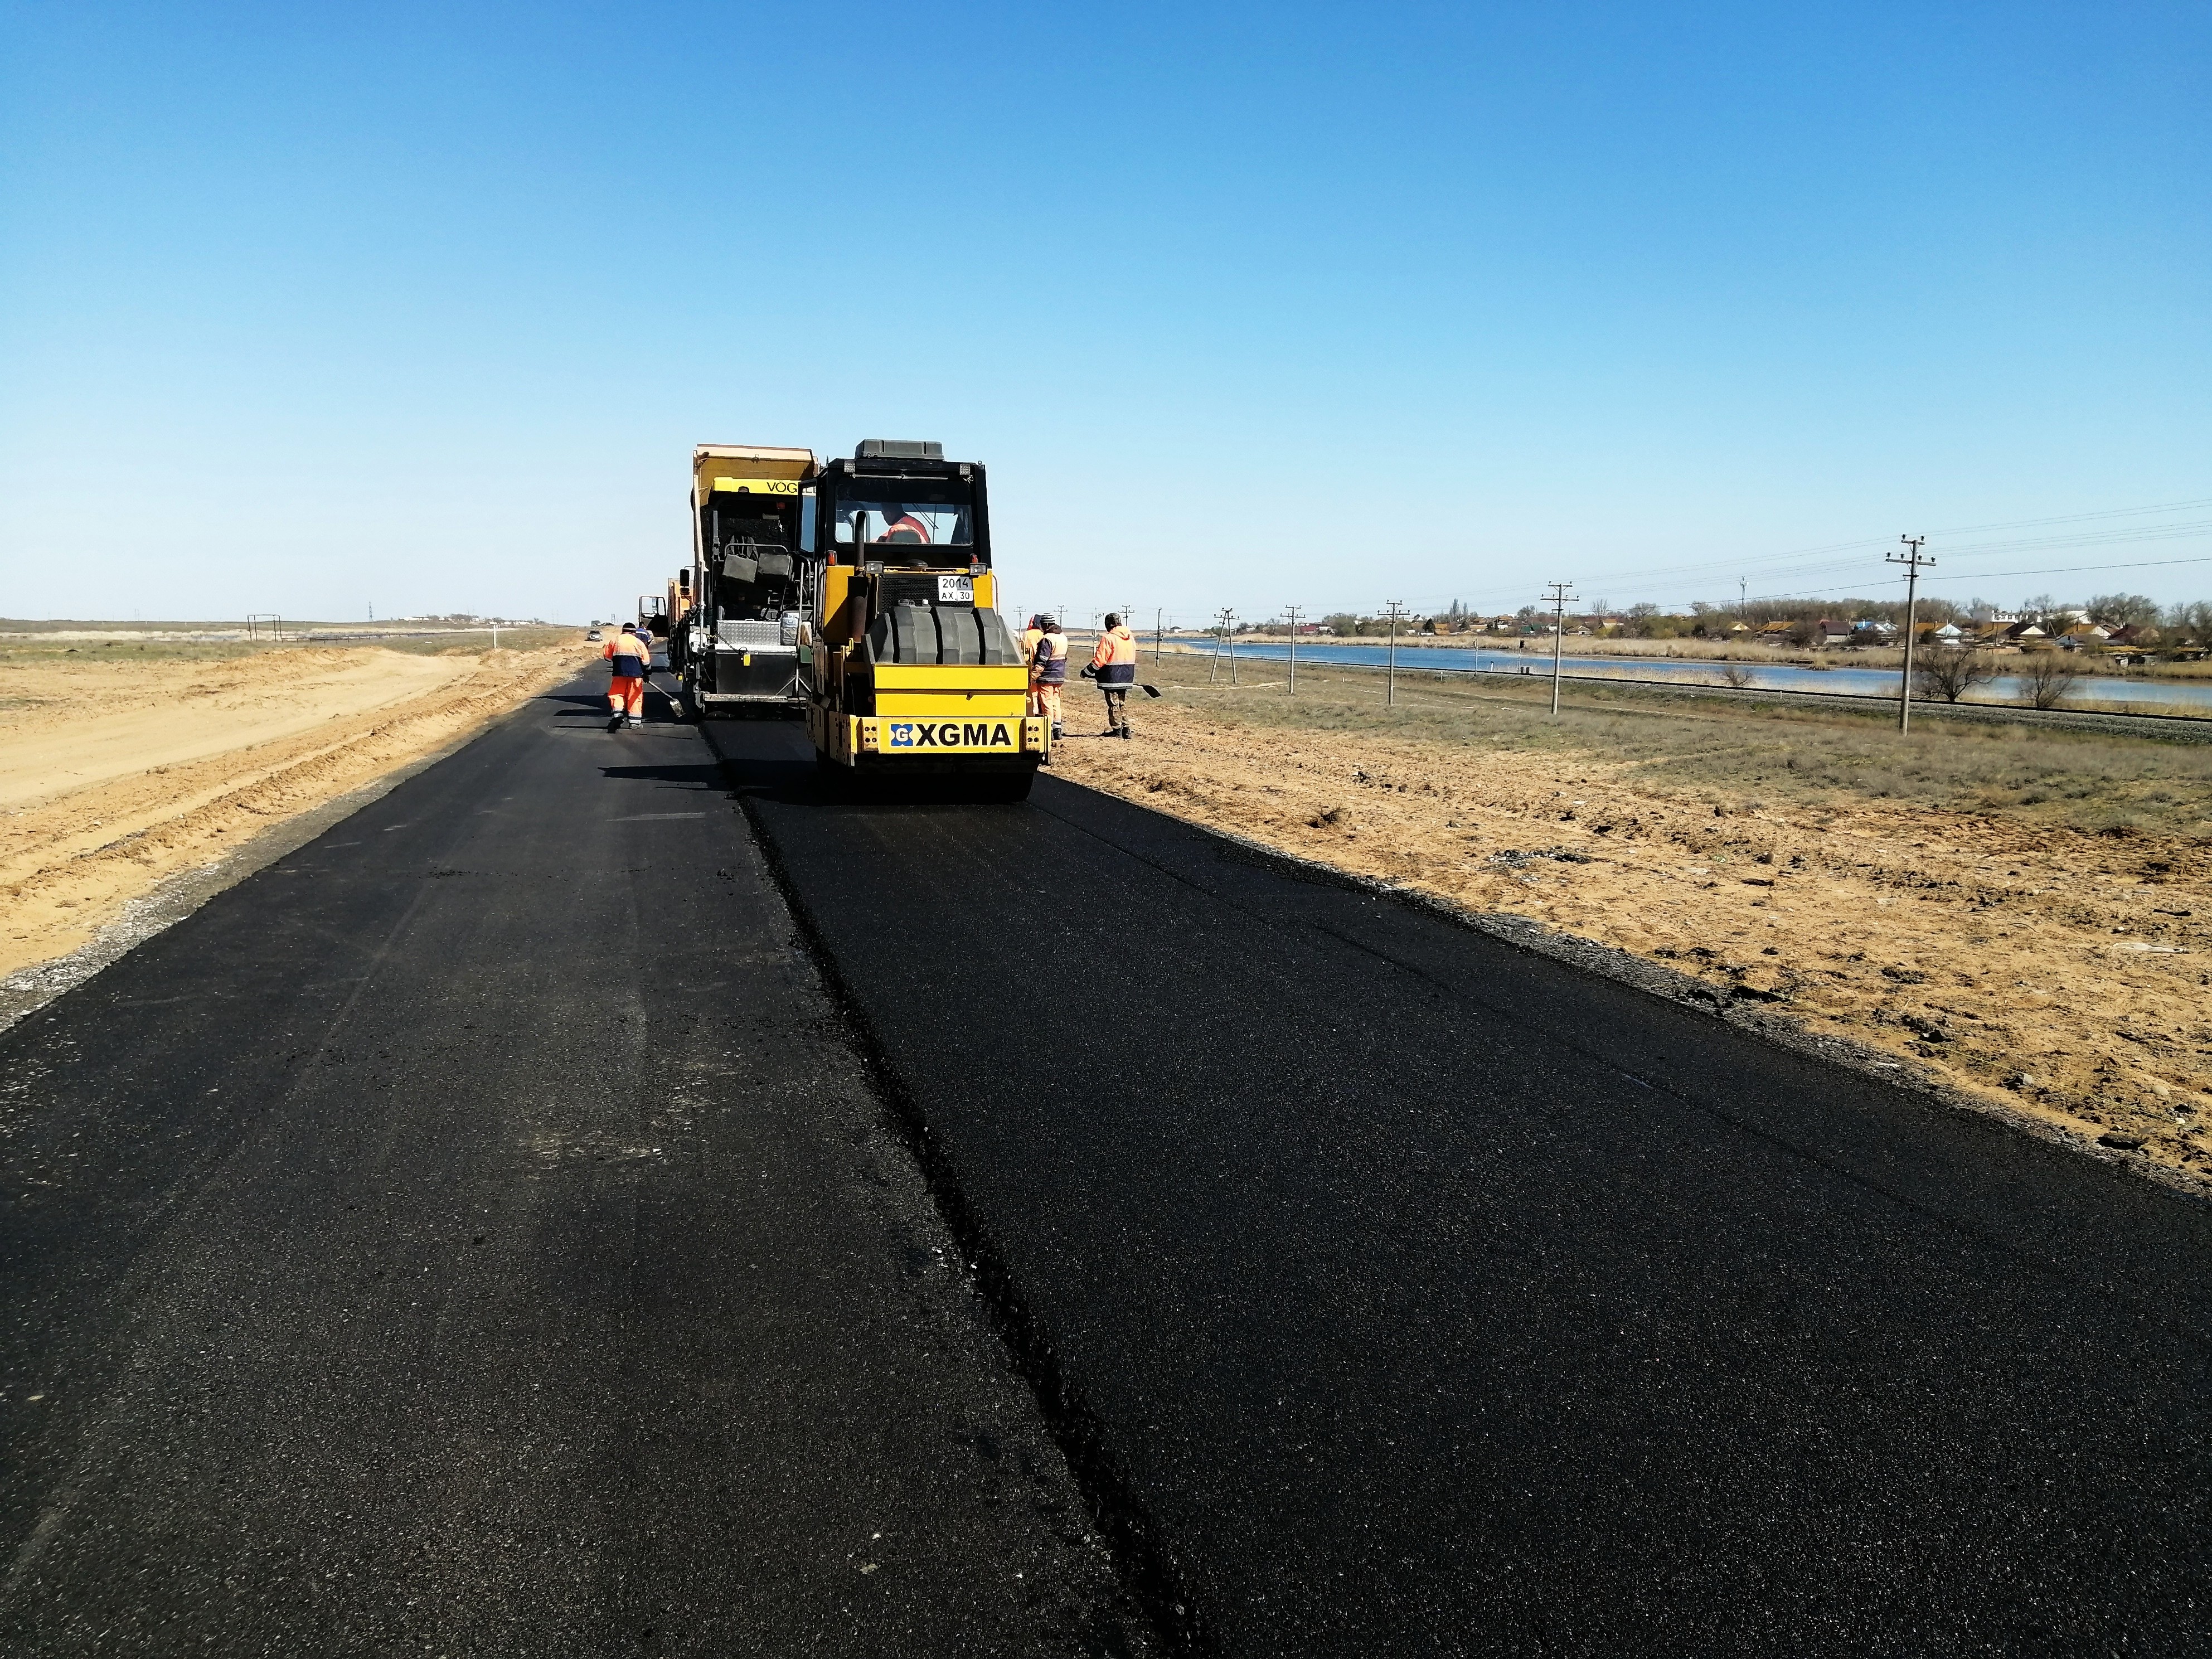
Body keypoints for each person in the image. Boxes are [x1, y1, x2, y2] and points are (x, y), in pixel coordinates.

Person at [1088, 612, 1138, 739]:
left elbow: (1100, 660)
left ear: (1108, 624)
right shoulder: (1130, 637)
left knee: (1113, 704)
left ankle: (1117, 730)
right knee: (1121, 702)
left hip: (1111, 676)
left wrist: (1087, 671)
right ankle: (1126, 729)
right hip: (1127, 675)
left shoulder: (1109, 638)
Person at [603, 620, 651, 730]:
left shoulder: (615, 640)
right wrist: (647, 673)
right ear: (634, 633)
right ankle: (634, 723)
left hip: (619, 673)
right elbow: (646, 662)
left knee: (617, 693)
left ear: (623, 631)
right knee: (634, 696)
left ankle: (618, 714)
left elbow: (607, 657)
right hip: (636, 675)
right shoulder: (639, 643)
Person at [1030, 615, 1068, 741]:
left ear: (1045, 625)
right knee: (1056, 702)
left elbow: (1042, 662)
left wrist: (1032, 677)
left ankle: (1049, 730)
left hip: (1047, 677)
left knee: (1046, 703)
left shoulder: (1047, 639)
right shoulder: (1063, 637)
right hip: (1059, 676)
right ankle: (1058, 730)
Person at [1021, 614, 1045, 714]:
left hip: (1031, 663)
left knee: (1033, 690)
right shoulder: (1043, 634)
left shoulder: (1027, 634)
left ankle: (1034, 711)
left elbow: (1024, 649)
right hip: (1043, 664)